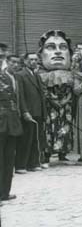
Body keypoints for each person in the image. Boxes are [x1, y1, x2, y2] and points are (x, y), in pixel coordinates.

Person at [37, 30, 74, 164]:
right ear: (41, 54)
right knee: (49, 128)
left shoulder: (72, 74)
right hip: (50, 107)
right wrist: (53, 101)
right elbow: (43, 91)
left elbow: (72, 89)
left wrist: (66, 100)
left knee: (65, 128)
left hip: (66, 106)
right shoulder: (39, 75)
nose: (58, 52)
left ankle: (62, 153)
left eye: (63, 47)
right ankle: (47, 154)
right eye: (51, 47)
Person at [15, 53, 46, 173]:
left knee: (36, 139)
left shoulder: (36, 75)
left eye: (35, 60)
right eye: (31, 60)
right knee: (25, 139)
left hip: (38, 111)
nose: (34, 62)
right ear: (25, 61)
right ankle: (21, 165)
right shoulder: (20, 75)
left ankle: (33, 163)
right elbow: (20, 95)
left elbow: (41, 95)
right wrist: (25, 111)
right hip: (28, 112)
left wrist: (44, 112)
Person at [0, 55, 23, 201]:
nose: (15, 65)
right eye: (11, 62)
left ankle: (4, 192)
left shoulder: (11, 78)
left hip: (11, 123)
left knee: (9, 159)